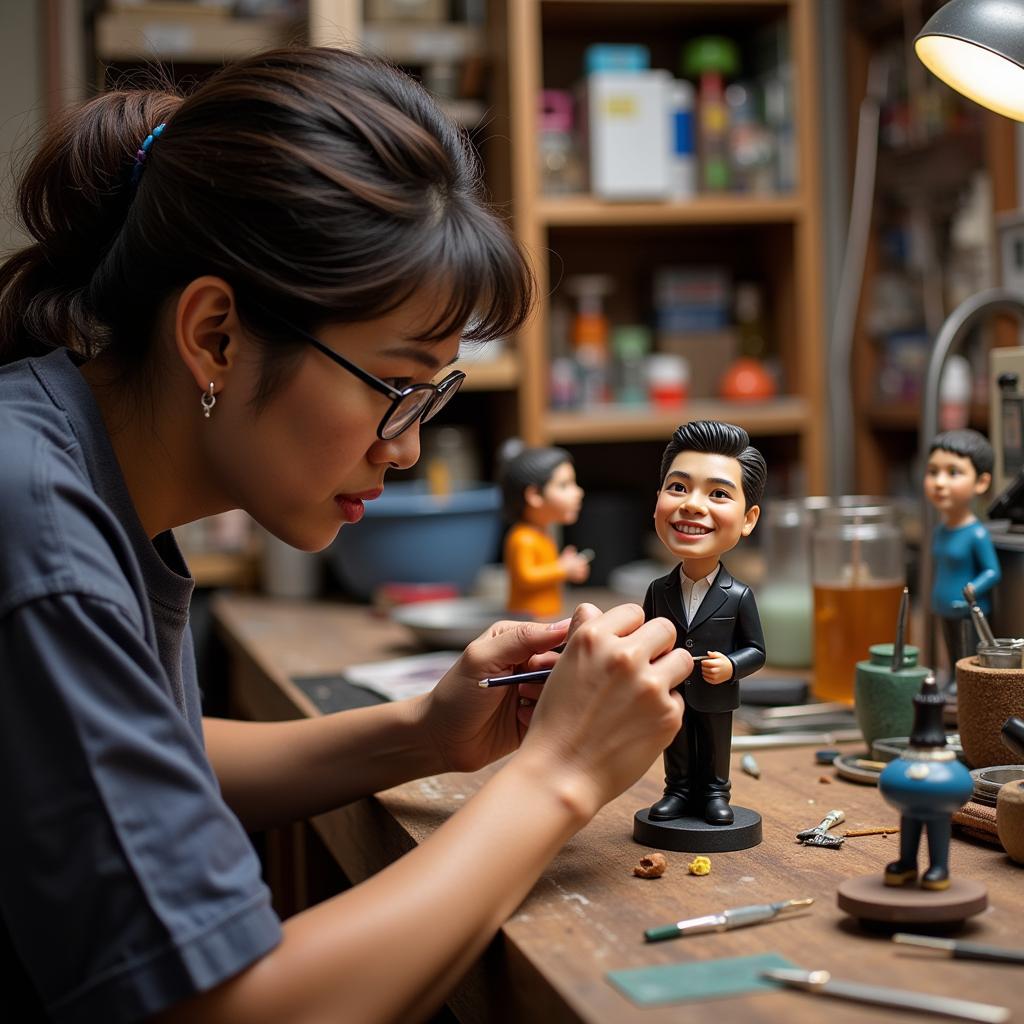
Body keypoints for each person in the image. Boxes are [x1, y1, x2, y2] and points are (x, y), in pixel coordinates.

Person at [0, 49, 692, 1023]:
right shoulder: (40, 534)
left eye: (432, 395)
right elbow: (232, 1010)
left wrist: (420, 734)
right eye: (396, 385)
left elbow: (132, 769)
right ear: (214, 335)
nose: (405, 448)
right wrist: (559, 778)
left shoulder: (60, 457)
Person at [642, 421, 766, 826]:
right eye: (678, 487)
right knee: (675, 741)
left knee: (714, 744)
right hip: (670, 693)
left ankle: (715, 792)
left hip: (717, 696)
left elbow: (757, 651)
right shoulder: (659, 590)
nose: (693, 505)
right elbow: (644, 641)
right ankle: (676, 790)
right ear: (657, 498)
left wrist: (732, 666)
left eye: (717, 494)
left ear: (748, 519)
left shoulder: (738, 595)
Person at [924, 429, 1001, 671]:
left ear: (981, 482)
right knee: (950, 651)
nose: (939, 482)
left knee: (968, 655)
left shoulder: (976, 533)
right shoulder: (940, 531)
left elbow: (992, 571)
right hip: (944, 606)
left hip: (968, 610)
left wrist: (973, 588)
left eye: (953, 472)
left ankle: (964, 686)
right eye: (933, 472)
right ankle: (951, 680)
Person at [498, 443, 591, 617]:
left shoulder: (542, 534)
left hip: (545, 616)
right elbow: (526, 577)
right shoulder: (523, 539)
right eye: (564, 485)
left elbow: (544, 571)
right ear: (534, 495)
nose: (578, 492)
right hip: (526, 618)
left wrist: (563, 566)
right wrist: (563, 568)